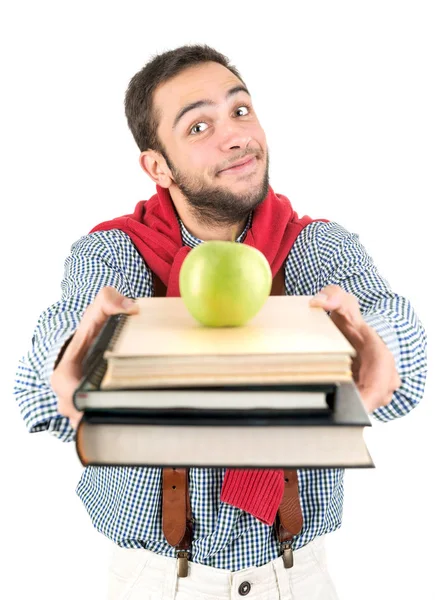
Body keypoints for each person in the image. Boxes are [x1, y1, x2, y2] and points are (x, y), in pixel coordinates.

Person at [14, 44, 427, 599]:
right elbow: (55, 349)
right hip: (155, 581)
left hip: (297, 575)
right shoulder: (114, 255)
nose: (236, 136)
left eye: (240, 110)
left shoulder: (317, 248)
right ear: (157, 166)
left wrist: (380, 348)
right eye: (199, 126)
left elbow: (389, 316)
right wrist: (73, 359)